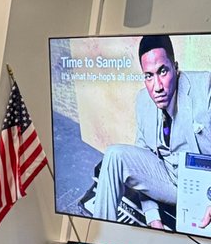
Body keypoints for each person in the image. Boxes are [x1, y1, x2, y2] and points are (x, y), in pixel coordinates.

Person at [86, 34, 211, 229]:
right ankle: (101, 237)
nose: (157, 87)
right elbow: (143, 164)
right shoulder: (143, 101)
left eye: (163, 71)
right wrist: (153, 217)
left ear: (175, 68)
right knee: (114, 155)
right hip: (168, 181)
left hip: (203, 188)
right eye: (149, 76)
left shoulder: (205, 88)